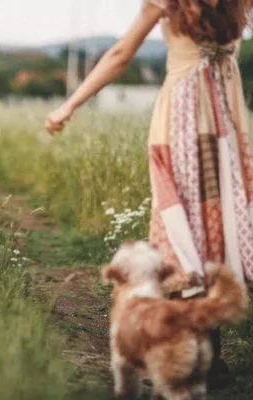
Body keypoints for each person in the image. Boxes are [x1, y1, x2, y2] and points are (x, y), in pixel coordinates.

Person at [45, 0, 253, 386]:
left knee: (180, 224)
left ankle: (190, 348)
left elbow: (121, 53)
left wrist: (69, 106)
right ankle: (210, 348)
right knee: (217, 222)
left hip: (181, 122)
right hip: (226, 121)